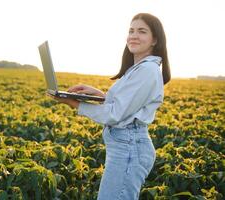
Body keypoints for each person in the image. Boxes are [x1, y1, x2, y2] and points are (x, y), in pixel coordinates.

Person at [48, 13, 171, 200]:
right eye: (131, 31)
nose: (134, 35)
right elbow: (127, 106)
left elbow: (116, 114)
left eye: (142, 31)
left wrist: (76, 104)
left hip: (130, 148)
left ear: (154, 39)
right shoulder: (140, 68)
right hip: (127, 146)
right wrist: (99, 95)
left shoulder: (147, 70)